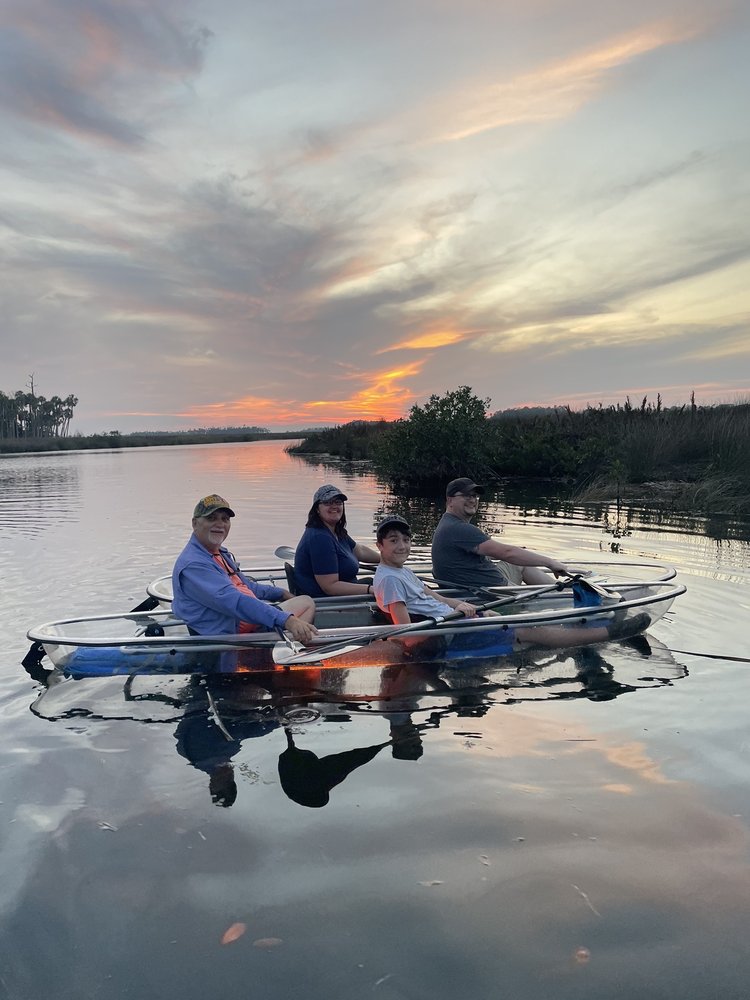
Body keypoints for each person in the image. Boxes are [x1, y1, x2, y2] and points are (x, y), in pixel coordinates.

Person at [376, 514, 649, 650]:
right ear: (380, 546)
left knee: (505, 617)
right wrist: (457, 620)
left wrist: (462, 605)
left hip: (457, 619)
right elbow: (407, 635)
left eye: (405, 540)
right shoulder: (389, 580)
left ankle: (575, 623)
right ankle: (609, 634)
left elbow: (434, 597)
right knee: (527, 630)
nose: (402, 546)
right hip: (448, 634)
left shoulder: (402, 571)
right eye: (393, 541)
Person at [172, 493, 317, 643]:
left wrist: (281, 593)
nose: (220, 524)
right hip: (229, 638)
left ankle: (291, 650)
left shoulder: (218, 553)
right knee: (304, 606)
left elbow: (247, 586)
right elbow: (235, 602)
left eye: (225, 519)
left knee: (306, 602)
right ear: (195, 523)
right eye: (211, 518)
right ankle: (282, 655)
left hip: (248, 623)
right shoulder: (194, 564)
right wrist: (287, 620)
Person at [431, 477, 568, 589]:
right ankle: (566, 596)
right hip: (492, 593)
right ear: (450, 500)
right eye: (466, 496)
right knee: (517, 559)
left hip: (483, 584)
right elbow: (507, 553)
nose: (472, 500)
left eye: (474, 496)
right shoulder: (459, 529)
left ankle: (563, 590)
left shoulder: (447, 523)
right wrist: (550, 563)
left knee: (520, 562)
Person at [294, 484, 381, 598]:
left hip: (343, 595)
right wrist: (370, 589)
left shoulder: (336, 531)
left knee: (378, 581)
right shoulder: (320, 538)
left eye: (338, 502)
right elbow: (330, 587)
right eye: (328, 503)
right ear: (317, 509)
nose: (334, 506)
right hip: (329, 603)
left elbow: (360, 551)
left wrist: (386, 558)